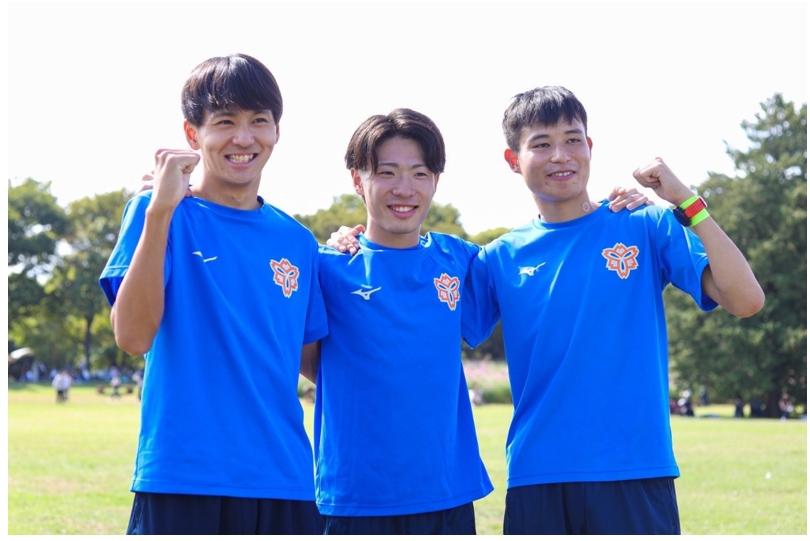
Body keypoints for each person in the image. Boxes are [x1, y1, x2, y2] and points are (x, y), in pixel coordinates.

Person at [312, 109, 649, 534]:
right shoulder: (328, 268)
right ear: (358, 180)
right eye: (386, 173)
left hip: (448, 494)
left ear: (436, 180)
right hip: (354, 497)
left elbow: (553, 264)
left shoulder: (461, 260)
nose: (404, 188)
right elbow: (311, 360)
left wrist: (616, 209)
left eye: (419, 173)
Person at [461, 86, 765, 534]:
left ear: (589, 146)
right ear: (513, 160)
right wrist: (365, 248)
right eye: (542, 144)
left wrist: (687, 201)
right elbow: (429, 334)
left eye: (572, 139)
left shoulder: (645, 224)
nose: (561, 155)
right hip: (537, 476)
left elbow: (746, 300)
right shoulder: (498, 258)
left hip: (635, 471)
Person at [99, 54, 328, 535]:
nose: (243, 138)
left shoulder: (299, 242)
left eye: (258, 121)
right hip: (182, 478)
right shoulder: (156, 212)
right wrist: (160, 212)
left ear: (277, 131)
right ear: (192, 134)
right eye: (225, 122)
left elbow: (315, 362)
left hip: (285, 482)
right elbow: (132, 337)